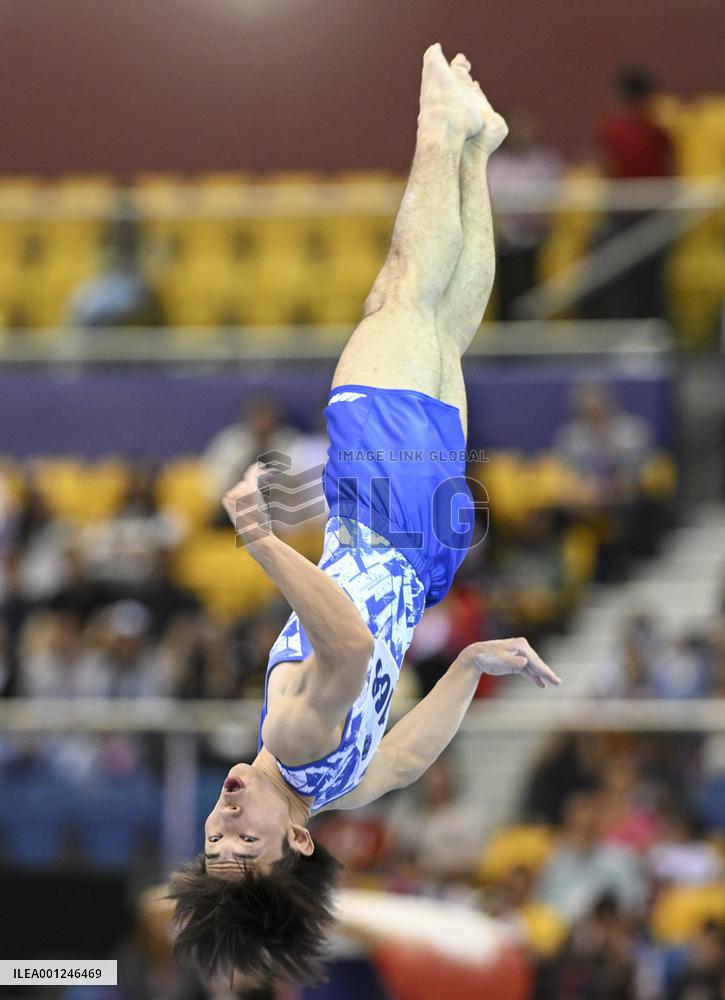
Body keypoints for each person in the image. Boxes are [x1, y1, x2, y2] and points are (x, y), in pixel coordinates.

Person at [168, 45, 561, 986]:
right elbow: (343, 644)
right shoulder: (298, 745)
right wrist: (261, 540)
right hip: (384, 510)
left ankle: (476, 148)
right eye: (243, 848)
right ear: (294, 845)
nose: (226, 826)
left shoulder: (342, 784)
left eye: (214, 845)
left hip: (427, 549)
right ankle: (444, 123)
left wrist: (469, 662)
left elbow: (414, 754)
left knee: (439, 327)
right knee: (398, 291)